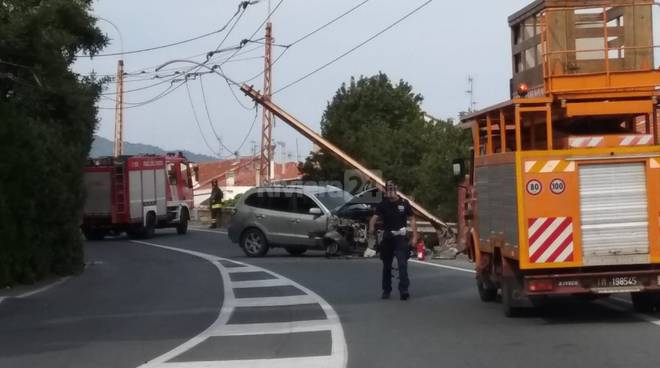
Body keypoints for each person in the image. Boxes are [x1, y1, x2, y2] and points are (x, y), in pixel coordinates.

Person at [368, 181, 418, 301]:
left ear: (396, 190)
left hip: (401, 237)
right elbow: (374, 218)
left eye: (392, 189)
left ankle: (404, 290)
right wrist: (371, 228)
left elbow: (412, 218)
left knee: (402, 264)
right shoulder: (383, 204)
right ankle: (386, 290)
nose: (389, 192)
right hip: (388, 237)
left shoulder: (404, 203)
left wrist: (415, 235)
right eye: (388, 190)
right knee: (387, 265)